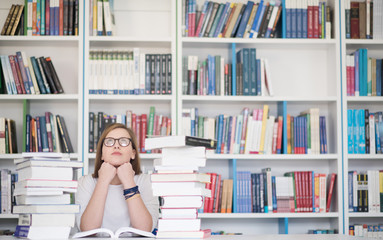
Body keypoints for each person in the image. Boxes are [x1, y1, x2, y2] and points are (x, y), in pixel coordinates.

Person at [75, 123, 159, 234]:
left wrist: (129, 182)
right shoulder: (86, 182)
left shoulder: (146, 182)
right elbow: (87, 230)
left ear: (133, 153)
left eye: (123, 141)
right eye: (109, 141)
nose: (116, 146)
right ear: (101, 154)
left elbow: (144, 230)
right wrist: (103, 181)